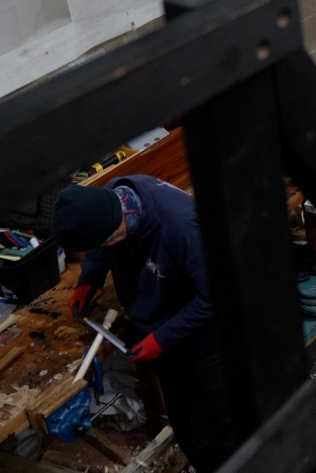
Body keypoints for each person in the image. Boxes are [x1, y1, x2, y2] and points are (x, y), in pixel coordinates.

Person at [56, 180, 236, 472]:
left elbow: (218, 295)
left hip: (208, 339)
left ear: (115, 229)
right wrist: (90, 278)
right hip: (163, 329)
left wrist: (162, 338)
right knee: (181, 422)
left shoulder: (181, 228)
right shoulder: (110, 199)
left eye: (105, 243)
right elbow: (99, 248)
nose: (102, 249)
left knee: (213, 437)